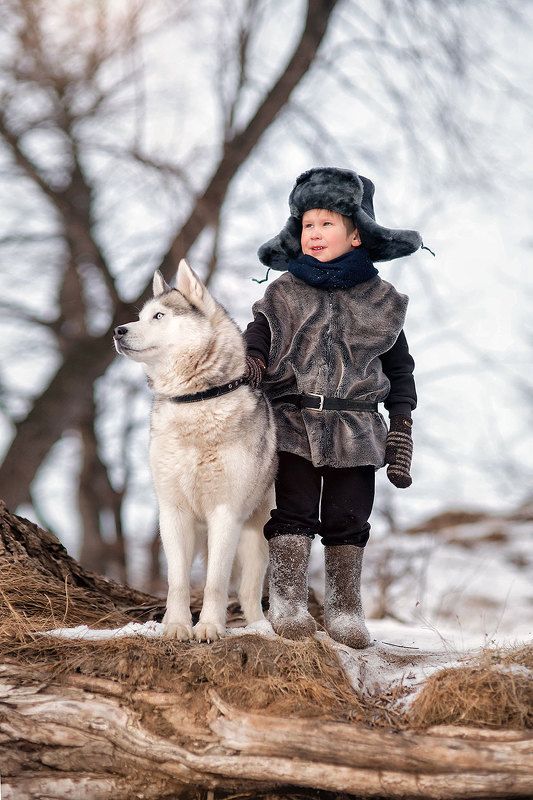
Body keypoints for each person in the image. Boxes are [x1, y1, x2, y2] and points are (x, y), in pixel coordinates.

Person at [244, 167, 422, 648]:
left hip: (357, 427)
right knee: (294, 510)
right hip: (293, 421)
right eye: (307, 225)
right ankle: (287, 601)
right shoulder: (283, 291)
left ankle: (344, 609)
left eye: (327, 223)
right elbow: (258, 332)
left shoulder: (384, 302)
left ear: (357, 234)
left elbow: (400, 370)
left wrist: (401, 425)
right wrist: (252, 358)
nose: (315, 233)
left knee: (349, 517)